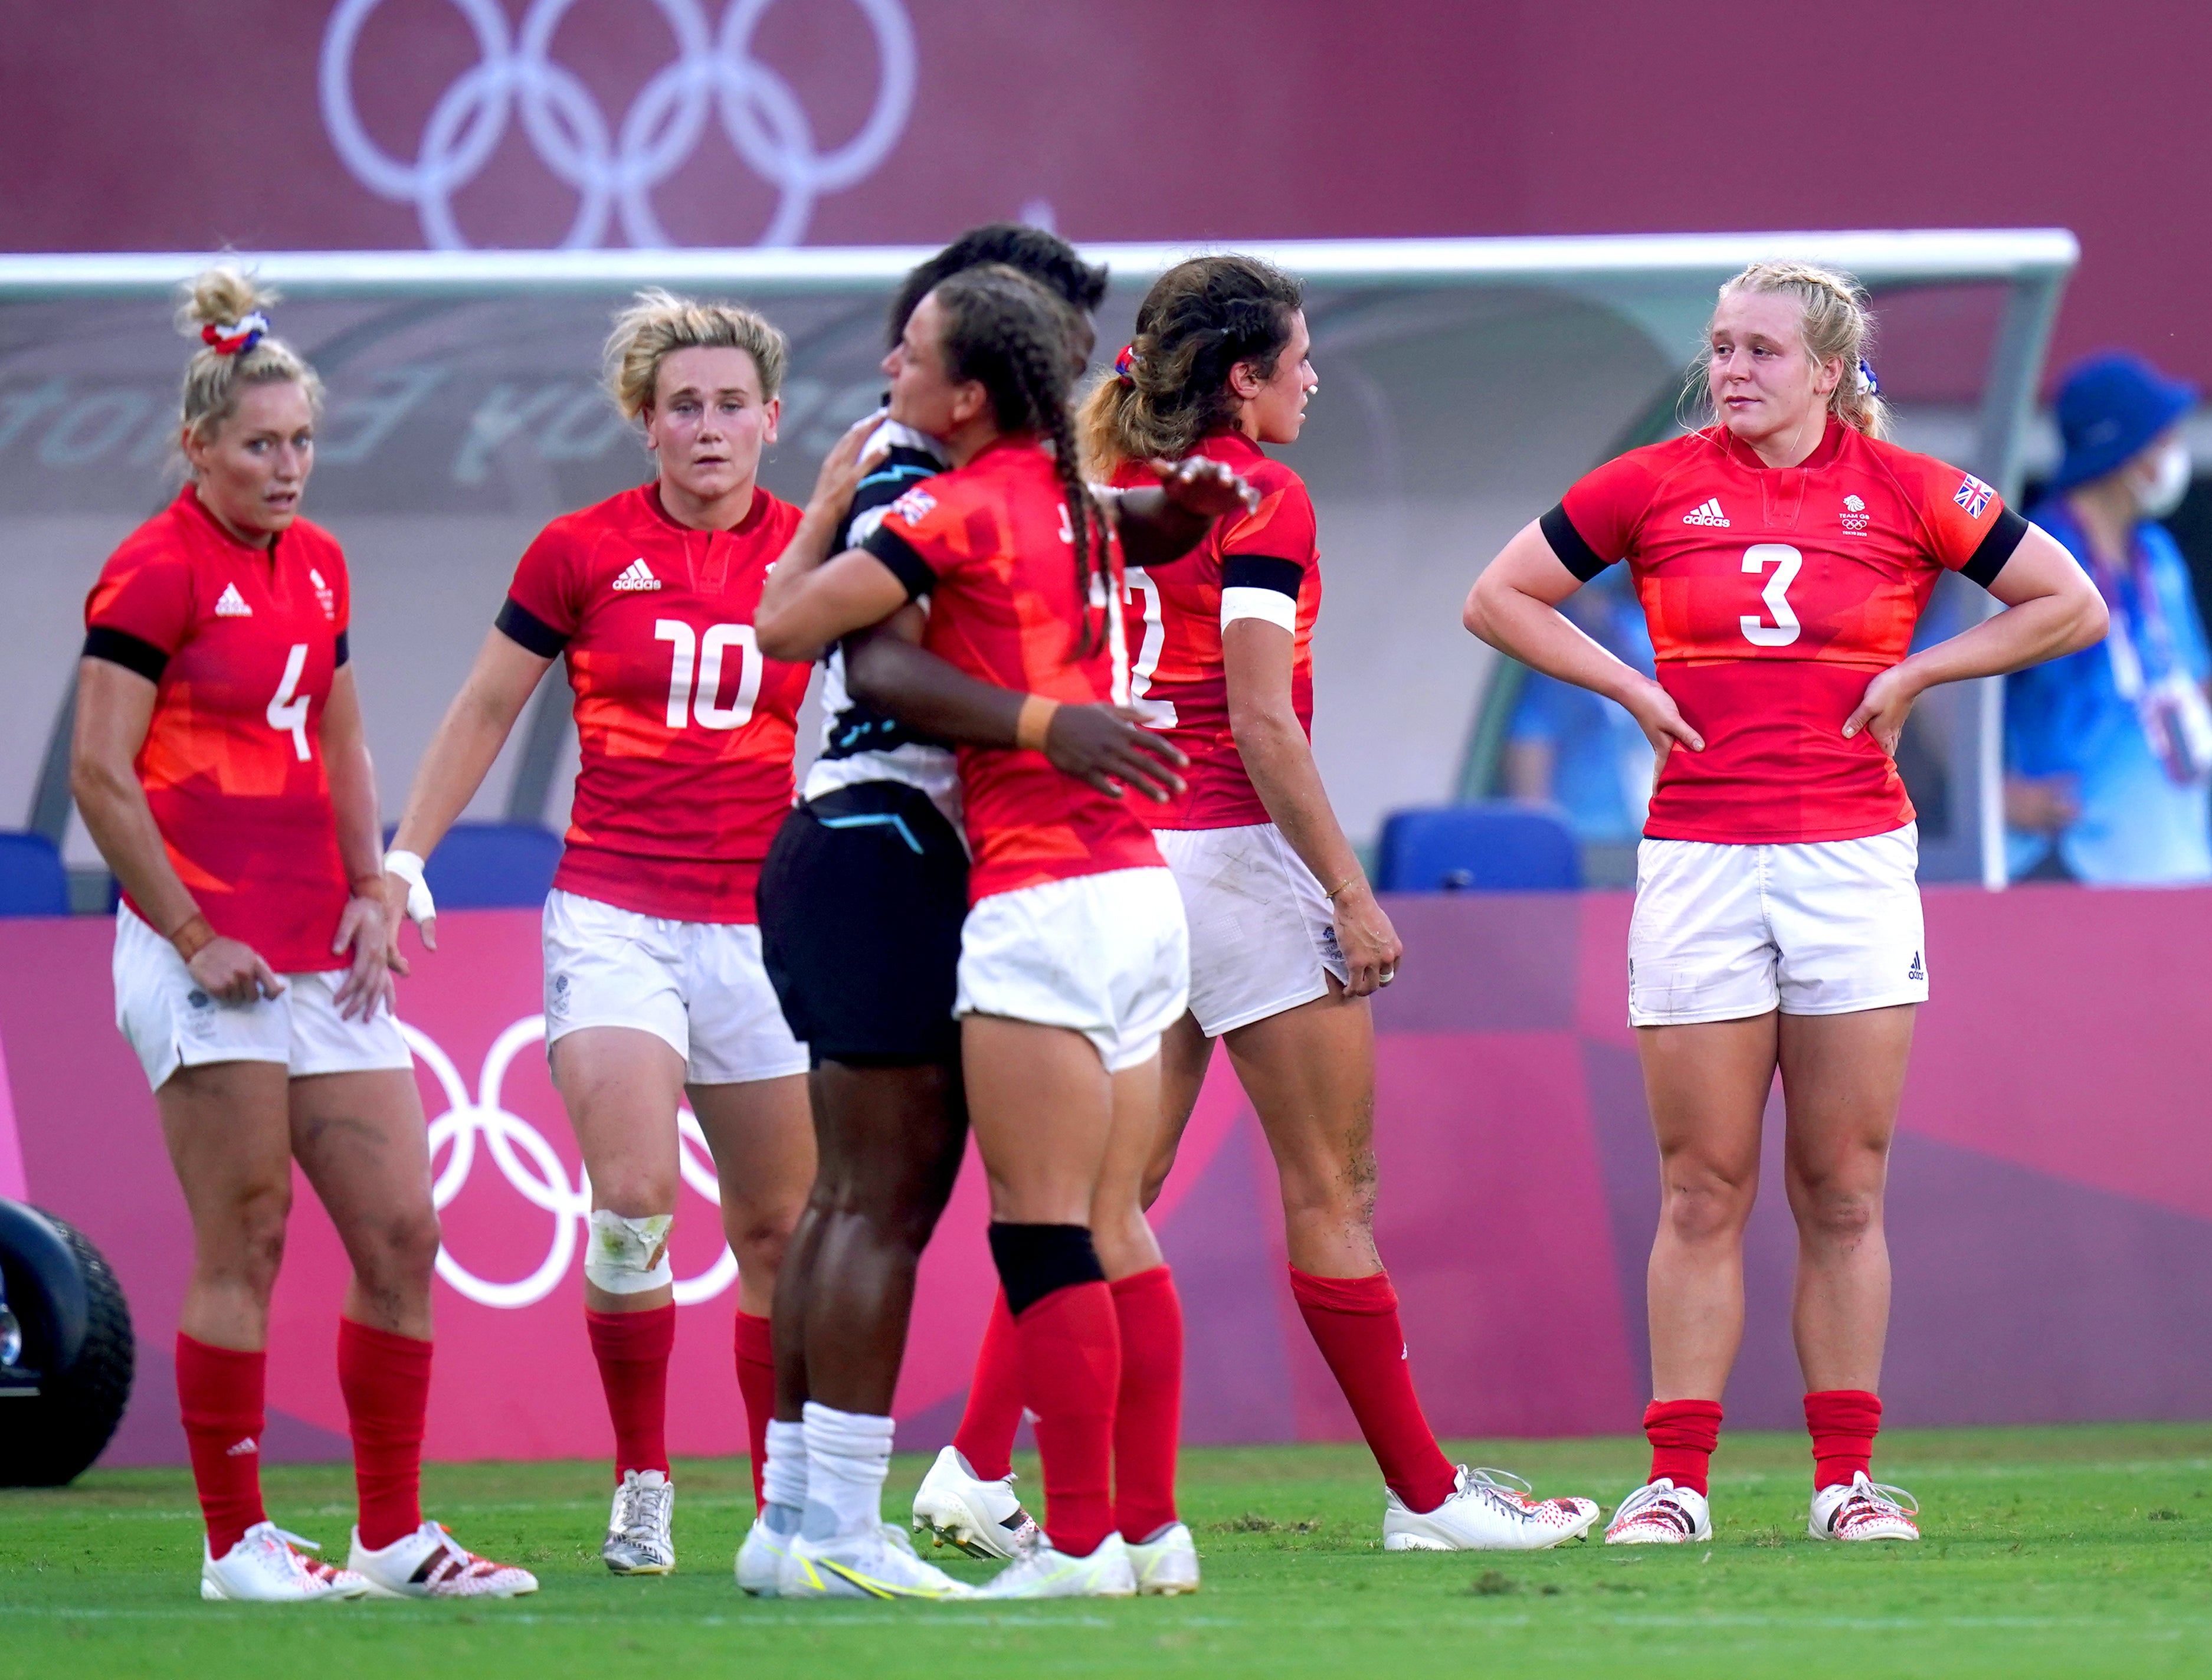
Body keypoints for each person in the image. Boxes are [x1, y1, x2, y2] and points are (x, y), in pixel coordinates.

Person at [942, 253, 1601, 1553]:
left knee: (1098, 1194)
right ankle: (1423, 1498)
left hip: (1110, 854)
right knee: (1330, 1188)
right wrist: (1346, 893)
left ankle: (970, 1466)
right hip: (1231, 856)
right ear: (1242, 381)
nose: (1308, 380)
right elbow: (1256, 718)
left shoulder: (1092, 478)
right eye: (1295, 361)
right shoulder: (1259, 492)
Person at [1462, 261, 2105, 1545]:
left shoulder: (1909, 490)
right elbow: (1496, 597)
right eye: (1719, 346)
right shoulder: (1647, 481)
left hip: (1849, 858)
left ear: (1825, 371)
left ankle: (1841, 1483)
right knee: (1700, 1184)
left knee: (1842, 1185)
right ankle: (1674, 1485)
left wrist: (1923, 666)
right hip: (1699, 858)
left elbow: (2065, 604)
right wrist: (1630, 691)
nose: (1732, 369)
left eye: (1760, 349)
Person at [745, 226, 1234, 1601]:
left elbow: (812, 638)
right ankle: (1138, 1526)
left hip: (1012, 879)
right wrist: (1189, 509)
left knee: (996, 1219)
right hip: (1130, 880)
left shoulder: (938, 495)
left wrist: (811, 515)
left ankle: (996, 1534)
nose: (893, 371)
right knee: (1098, 1217)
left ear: (964, 384)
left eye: (920, 353)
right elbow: (1143, 525)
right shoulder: (1076, 498)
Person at [71, 267, 533, 1602]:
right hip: (202, 948)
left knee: (402, 1234)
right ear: (197, 447)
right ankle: (237, 1548)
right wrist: (188, 929)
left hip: (317, 950)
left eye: (302, 442)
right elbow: (100, 772)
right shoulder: (153, 566)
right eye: (260, 444)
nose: (287, 466)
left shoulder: (321, 561)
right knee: (251, 1234)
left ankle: (392, 1537)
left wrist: (373, 889)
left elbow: (336, 729)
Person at [380, 290, 815, 1577]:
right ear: (644, 423)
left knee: (780, 1234)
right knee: (630, 1204)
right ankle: (640, 1480)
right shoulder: (577, 551)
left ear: (770, 421)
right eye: (682, 406)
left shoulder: (819, 554)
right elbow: (481, 708)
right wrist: (407, 856)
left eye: (730, 405)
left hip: (766, 929)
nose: (707, 428)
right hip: (617, 916)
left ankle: (780, 1502)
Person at [2005, 353, 2212, 883]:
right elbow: (1930, 686)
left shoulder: (2155, 552)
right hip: (2069, 865)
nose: (2175, 456)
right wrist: (1991, 796)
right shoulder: (2032, 555)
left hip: (2174, 853)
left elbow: (2189, 681)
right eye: (2161, 440)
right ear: (2121, 452)